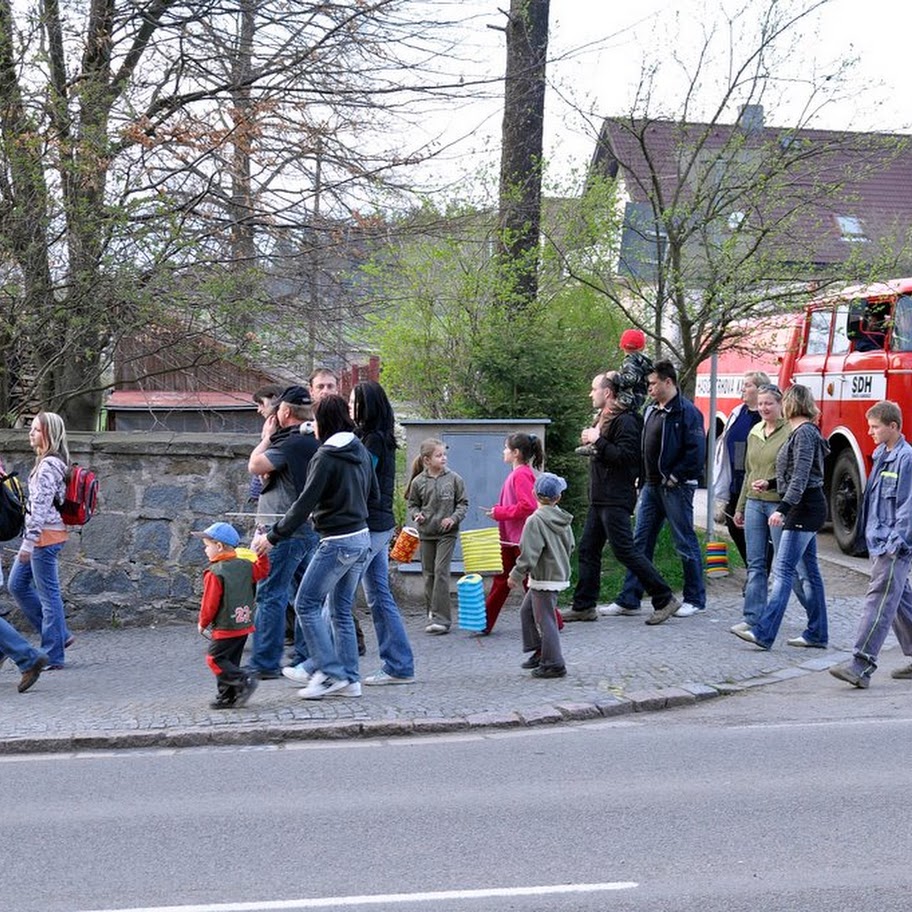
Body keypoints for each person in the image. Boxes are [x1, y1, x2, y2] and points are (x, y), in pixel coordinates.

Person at [253, 394, 377, 699]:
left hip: (336, 542)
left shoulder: (325, 456)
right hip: (361, 538)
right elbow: (371, 493)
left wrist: (272, 537)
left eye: (316, 420)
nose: (312, 425)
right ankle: (349, 678)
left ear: (325, 423)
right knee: (340, 611)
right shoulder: (358, 448)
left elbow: (303, 503)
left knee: (307, 604)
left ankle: (329, 673)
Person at [563, 372, 679, 622]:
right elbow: (605, 452)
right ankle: (584, 605)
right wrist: (592, 442)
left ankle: (665, 598)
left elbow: (627, 458)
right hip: (600, 496)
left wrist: (599, 441)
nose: (590, 394)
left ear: (607, 393)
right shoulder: (604, 418)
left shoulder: (626, 420)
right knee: (588, 549)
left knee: (625, 550)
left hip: (615, 496)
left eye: (594, 389)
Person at [605, 361, 706, 624]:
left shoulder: (688, 413)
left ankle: (695, 599)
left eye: (653, 383)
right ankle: (629, 598)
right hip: (650, 486)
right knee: (640, 543)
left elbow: (696, 452)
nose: (648, 388)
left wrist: (675, 476)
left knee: (684, 541)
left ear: (668, 382)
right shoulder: (651, 411)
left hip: (675, 488)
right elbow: (643, 447)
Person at [731, 384, 829, 650]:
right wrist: (771, 484)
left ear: (791, 404)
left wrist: (783, 509)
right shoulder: (799, 432)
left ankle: (764, 632)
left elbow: (801, 477)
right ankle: (818, 633)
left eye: (783, 401)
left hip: (804, 509)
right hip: (801, 506)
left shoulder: (804, 433)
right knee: (810, 572)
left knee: (784, 570)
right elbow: (794, 474)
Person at [830, 401, 912, 688]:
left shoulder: (906, 459)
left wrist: (895, 543)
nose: (870, 431)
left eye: (875, 427)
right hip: (880, 543)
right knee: (901, 600)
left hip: (893, 547)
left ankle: (860, 665)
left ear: (893, 426)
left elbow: (908, 507)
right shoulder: (881, 454)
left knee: (879, 602)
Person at [245, 385, 320, 679]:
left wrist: (265, 438)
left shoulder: (290, 443)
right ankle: (304, 658)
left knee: (270, 594)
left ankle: (265, 662)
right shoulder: (313, 440)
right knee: (303, 597)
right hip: (308, 529)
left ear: (285, 412)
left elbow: (255, 465)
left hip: (284, 531)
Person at [349, 380, 416, 685]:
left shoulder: (373, 441)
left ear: (367, 406)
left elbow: (359, 478)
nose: (350, 407)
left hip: (371, 525)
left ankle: (329, 667)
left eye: (354, 402)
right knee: (378, 595)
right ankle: (399, 664)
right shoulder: (374, 437)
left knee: (336, 596)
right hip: (378, 523)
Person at [8, 412, 74, 669]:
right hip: (41, 536)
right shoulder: (47, 462)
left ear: (47, 434)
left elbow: (41, 508)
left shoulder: (48, 466)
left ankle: (53, 654)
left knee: (49, 596)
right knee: (17, 584)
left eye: (35, 429)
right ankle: (60, 636)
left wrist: (28, 544)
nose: (30, 433)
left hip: (44, 538)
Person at [193, 521, 269, 709]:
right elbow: (262, 571)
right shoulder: (245, 565)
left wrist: (203, 623)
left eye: (207, 546)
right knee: (229, 661)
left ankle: (243, 679)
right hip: (243, 625)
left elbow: (209, 603)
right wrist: (262, 554)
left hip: (225, 626)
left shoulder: (215, 572)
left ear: (218, 546)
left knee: (215, 659)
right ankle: (228, 696)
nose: (205, 551)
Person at [508, 472, 574, 679]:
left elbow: (528, 555)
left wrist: (515, 575)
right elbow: (571, 545)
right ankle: (539, 651)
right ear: (558, 497)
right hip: (556, 575)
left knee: (546, 620)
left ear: (534, 494)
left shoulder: (535, 521)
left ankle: (553, 663)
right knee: (526, 612)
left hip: (544, 578)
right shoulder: (562, 517)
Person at [482, 432, 543, 634]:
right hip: (511, 538)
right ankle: (485, 622)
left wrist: (500, 512)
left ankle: (553, 621)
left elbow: (528, 506)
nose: (504, 451)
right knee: (506, 580)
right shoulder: (518, 473)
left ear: (516, 453)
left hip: (518, 539)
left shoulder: (521, 474)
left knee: (526, 582)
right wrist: (499, 512)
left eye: (506, 448)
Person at [406, 438, 468, 635]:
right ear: (426, 460)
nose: (443, 458)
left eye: (444, 455)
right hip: (426, 533)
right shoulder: (418, 482)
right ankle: (432, 613)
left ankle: (443, 620)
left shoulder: (455, 479)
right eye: (439, 455)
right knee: (429, 574)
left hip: (447, 534)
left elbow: (463, 503)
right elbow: (412, 505)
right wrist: (417, 515)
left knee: (441, 571)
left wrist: (453, 518)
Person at [712, 371, 768, 563]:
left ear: (760, 389)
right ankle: (752, 566)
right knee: (733, 524)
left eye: (748, 385)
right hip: (736, 480)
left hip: (756, 482)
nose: (742, 388)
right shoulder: (738, 413)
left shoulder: (763, 417)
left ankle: (760, 570)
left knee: (755, 529)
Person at [245, 384, 284, 506]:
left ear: (273, 399)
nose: (259, 410)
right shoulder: (270, 426)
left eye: (262, 403)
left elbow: (256, 466)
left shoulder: (282, 432)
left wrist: (267, 438)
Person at [616, 328, 654, 412]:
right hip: (639, 400)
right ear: (642, 347)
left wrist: (614, 377)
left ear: (622, 346)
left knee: (607, 414)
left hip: (627, 400)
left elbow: (630, 378)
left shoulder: (630, 359)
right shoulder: (644, 362)